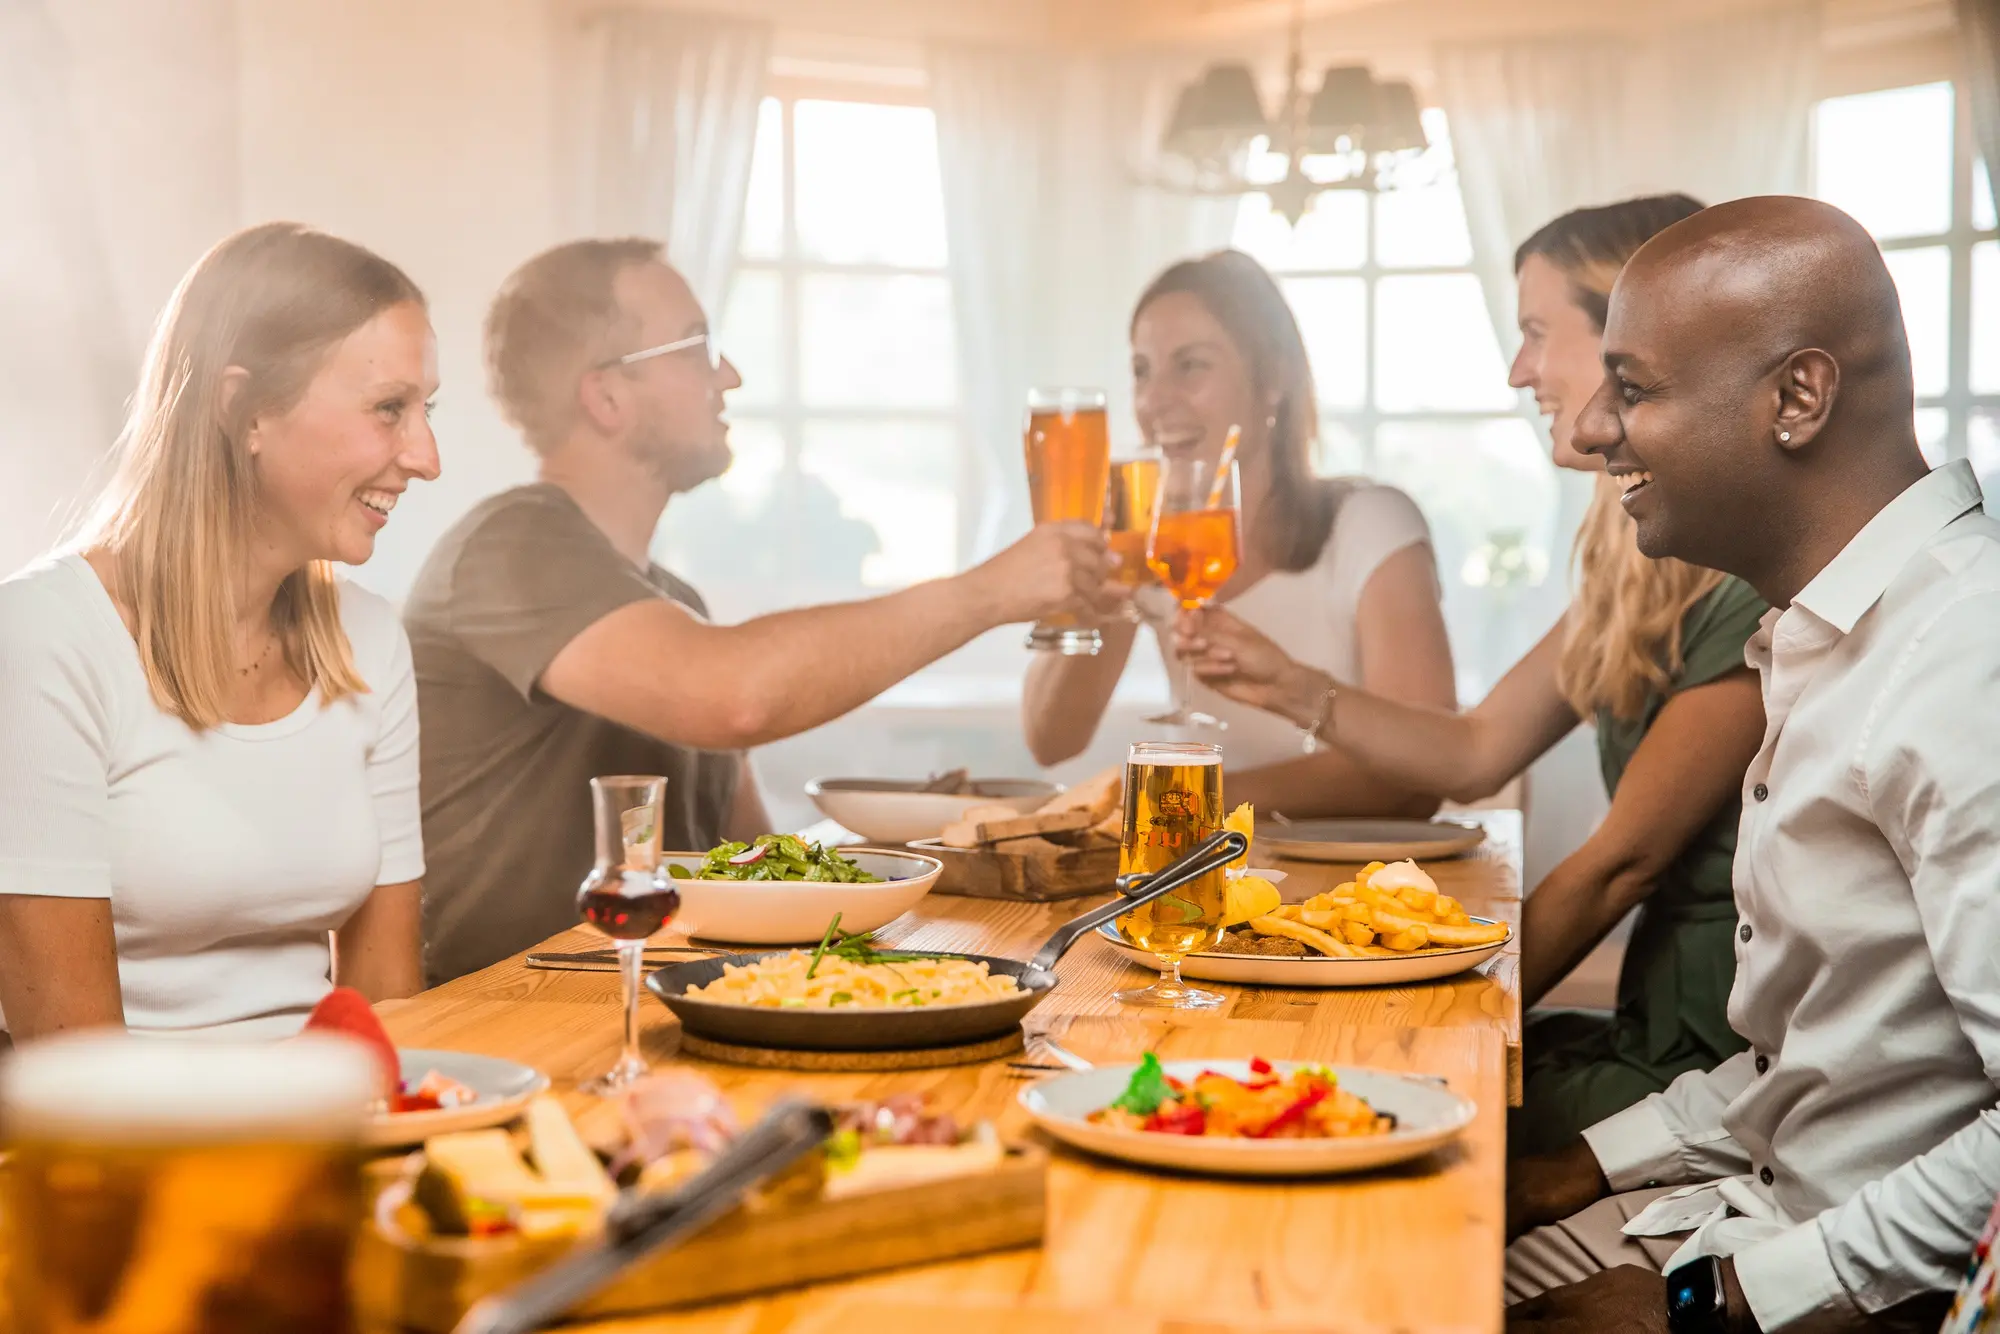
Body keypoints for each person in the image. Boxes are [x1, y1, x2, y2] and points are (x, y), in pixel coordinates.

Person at [1174, 197, 1768, 1154]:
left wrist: (1415, 1007)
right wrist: (1286, 683)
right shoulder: (1636, 564)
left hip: (1719, 1058)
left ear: (1636, 333)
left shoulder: (1746, 576)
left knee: (1362, 1116)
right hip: (1653, 1024)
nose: (1518, 370)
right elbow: (1477, 748)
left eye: (1537, 333)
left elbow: (1622, 866)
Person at [1504, 196, 2000, 1334]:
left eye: (1630, 390)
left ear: (1795, 398)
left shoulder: (1959, 655)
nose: (1590, 432)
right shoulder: (1828, 633)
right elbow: (1823, 1064)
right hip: (1749, 1222)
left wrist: (1705, 1305)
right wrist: (1569, 1168)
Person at [407, 239, 1113, 985]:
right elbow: (733, 695)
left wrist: (946, 837)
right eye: (698, 348)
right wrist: (991, 590)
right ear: (606, 395)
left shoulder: (673, 605)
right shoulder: (509, 546)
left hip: (662, 1007)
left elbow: (754, 858)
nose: (730, 375)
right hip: (516, 1020)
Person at [0, 222, 440, 1040]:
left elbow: (389, 1012)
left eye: (424, 410)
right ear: (243, 409)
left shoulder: (371, 642)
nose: (426, 455)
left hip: (332, 1132)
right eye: (389, 409)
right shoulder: (41, 640)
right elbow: (74, 1066)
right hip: (119, 1153)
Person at [1022, 249, 1457, 816]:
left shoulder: (1369, 524)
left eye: (1191, 365)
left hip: (1350, 884)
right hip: (1202, 869)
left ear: (1272, 379)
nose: (1153, 402)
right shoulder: (1152, 539)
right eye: (1142, 371)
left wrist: (1188, 804)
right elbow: (1051, 741)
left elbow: (1419, 776)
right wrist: (1101, 588)